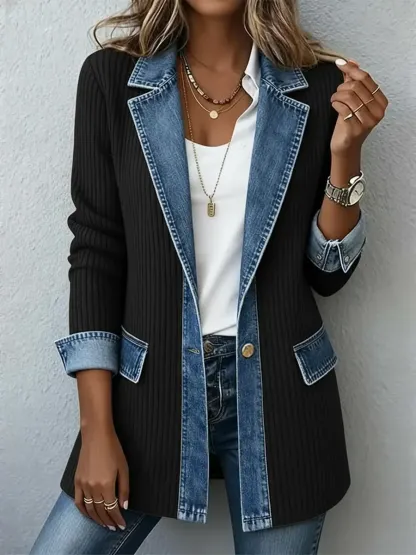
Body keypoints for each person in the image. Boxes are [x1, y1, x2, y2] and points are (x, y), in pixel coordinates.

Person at [30, 0, 388, 553]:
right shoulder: (111, 80)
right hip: (148, 393)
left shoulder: (317, 88)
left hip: (282, 400)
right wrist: (96, 429)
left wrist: (347, 154)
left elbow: (328, 275)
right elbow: (97, 253)